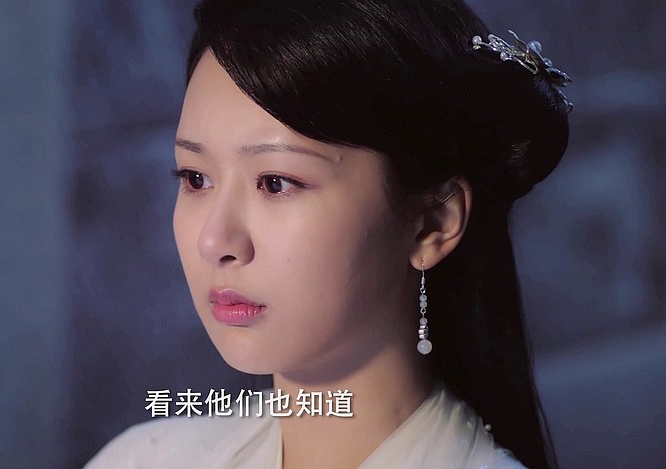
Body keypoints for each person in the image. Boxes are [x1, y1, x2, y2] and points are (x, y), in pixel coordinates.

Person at [86, 0, 572, 467]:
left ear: (433, 222)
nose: (214, 242)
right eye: (196, 178)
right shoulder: (141, 460)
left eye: (276, 183)